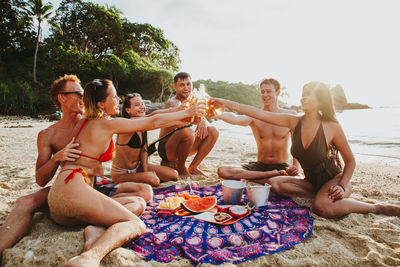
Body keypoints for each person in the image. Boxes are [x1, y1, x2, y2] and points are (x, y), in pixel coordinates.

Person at [47, 78, 205, 266]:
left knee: (137, 202)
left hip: (62, 195)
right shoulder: (105, 123)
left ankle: (96, 230)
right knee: (136, 224)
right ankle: (89, 257)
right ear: (101, 104)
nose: (118, 101)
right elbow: (152, 121)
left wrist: (183, 116)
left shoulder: (84, 122)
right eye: (114, 97)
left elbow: (153, 116)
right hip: (72, 189)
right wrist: (188, 112)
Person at [0, 75, 150, 260]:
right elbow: (40, 180)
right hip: (68, 188)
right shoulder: (49, 134)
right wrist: (57, 158)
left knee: (144, 192)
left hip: (96, 184)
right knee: (25, 202)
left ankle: (98, 222)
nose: (83, 97)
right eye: (78, 93)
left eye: (84, 93)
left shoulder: (92, 120)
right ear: (62, 97)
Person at [212, 81, 400, 218]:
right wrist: (225, 103)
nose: (303, 97)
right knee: (276, 184)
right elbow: (257, 112)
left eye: (308, 94)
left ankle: (378, 207)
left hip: (333, 180)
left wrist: (342, 185)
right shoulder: (293, 121)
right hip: (310, 182)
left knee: (322, 208)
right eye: (302, 93)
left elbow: (350, 161)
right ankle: (321, 195)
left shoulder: (331, 125)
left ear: (320, 100)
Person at [216, 78, 300, 183]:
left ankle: (262, 178)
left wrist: (295, 166)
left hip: (282, 166)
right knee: (223, 170)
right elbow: (236, 119)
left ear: (278, 92)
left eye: (268, 91)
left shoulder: (289, 116)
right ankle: (269, 176)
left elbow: (297, 144)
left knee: (289, 181)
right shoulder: (255, 115)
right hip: (260, 166)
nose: (265, 95)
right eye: (262, 92)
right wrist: (218, 114)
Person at [158, 72, 219, 178]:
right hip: (168, 148)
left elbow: (200, 115)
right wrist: (199, 120)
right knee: (187, 131)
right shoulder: (173, 103)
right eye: (182, 85)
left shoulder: (193, 100)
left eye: (188, 84)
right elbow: (183, 121)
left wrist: (203, 120)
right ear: (175, 87)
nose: (186, 88)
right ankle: (181, 168)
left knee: (213, 131)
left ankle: (193, 167)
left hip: (184, 145)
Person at [111, 93, 179, 186]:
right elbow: (154, 119)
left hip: (137, 167)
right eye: (137, 105)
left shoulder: (143, 124)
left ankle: (142, 177)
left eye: (142, 104)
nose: (142, 107)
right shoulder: (127, 125)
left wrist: (145, 171)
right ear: (128, 110)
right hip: (122, 173)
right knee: (154, 180)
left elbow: (144, 151)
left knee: (174, 174)